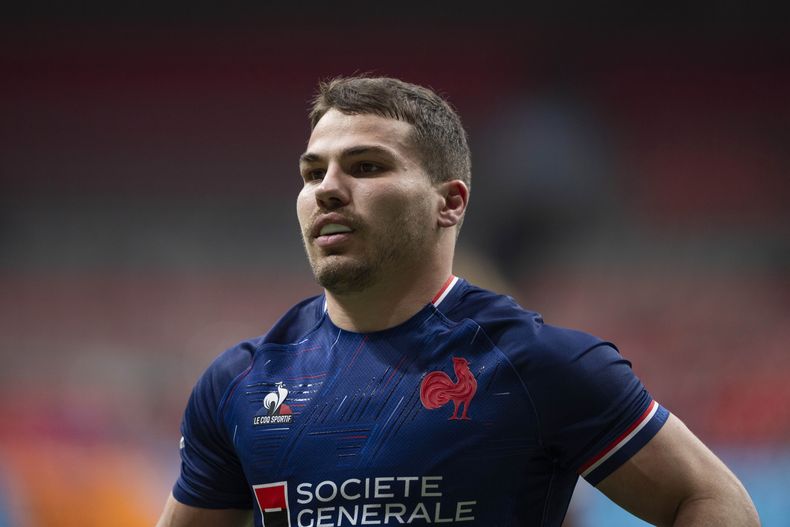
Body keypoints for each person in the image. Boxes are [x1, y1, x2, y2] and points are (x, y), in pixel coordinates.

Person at [156, 76, 759, 527]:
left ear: (450, 202)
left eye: (366, 166)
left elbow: (711, 499)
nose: (329, 190)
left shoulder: (535, 364)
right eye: (313, 173)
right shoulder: (240, 383)